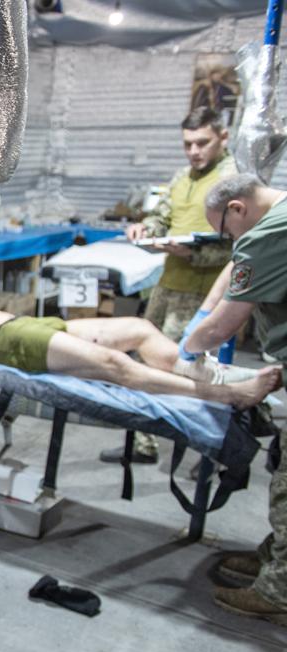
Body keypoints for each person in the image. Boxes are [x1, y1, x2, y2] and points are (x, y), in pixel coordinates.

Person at [0, 281, 279, 408]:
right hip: (6, 341)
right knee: (114, 364)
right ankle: (225, 394)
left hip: (28, 325)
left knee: (138, 328)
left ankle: (203, 369)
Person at [180, 173, 287, 625]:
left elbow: (223, 325)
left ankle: (279, 590)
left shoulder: (266, 236)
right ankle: (274, 556)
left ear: (238, 208)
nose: (228, 240)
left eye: (225, 231)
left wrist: (190, 343)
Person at [103, 106, 237, 463]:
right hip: (169, 283)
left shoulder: (235, 180)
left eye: (202, 143)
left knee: (188, 371)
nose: (194, 151)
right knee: (142, 360)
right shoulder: (183, 177)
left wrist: (193, 254)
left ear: (222, 138)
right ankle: (144, 443)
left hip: (205, 293)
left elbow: (241, 246)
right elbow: (161, 215)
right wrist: (145, 227)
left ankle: (210, 453)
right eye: (188, 144)